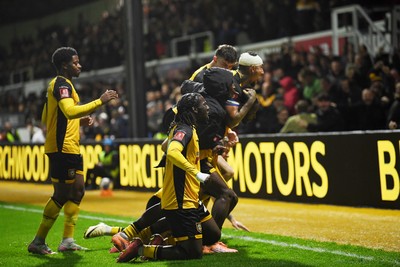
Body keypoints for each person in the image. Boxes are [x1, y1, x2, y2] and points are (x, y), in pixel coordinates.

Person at [27, 47, 119, 255]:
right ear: (64, 65)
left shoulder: (64, 86)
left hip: (71, 147)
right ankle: (38, 241)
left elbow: (48, 117)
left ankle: (67, 240)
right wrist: (100, 101)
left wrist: (78, 122)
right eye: (76, 63)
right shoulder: (61, 84)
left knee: (77, 191)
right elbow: (68, 111)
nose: (80, 66)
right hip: (61, 149)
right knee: (61, 195)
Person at [117, 92, 217, 262]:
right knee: (193, 253)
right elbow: (171, 151)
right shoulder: (184, 129)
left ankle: (142, 234)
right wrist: (196, 173)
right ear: (194, 109)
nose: (207, 107)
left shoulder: (184, 127)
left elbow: (166, 146)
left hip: (189, 197)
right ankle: (142, 249)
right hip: (182, 200)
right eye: (203, 104)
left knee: (213, 233)